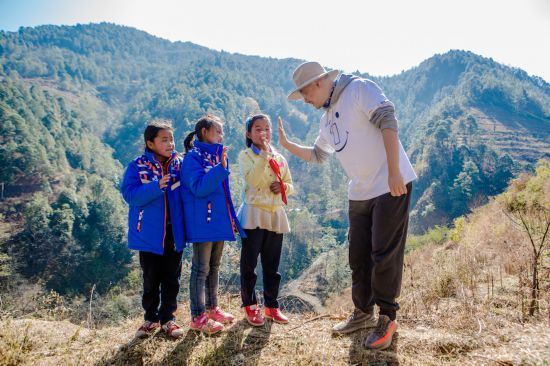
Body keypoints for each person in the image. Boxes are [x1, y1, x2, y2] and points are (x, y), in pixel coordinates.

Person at [279, 61, 417, 350]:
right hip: (359, 190)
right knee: (358, 257)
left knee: (384, 253)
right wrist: (288, 144)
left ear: (319, 82)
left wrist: (394, 172)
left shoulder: (358, 89)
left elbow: (388, 120)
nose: (304, 100)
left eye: (304, 93)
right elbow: (318, 155)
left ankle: (387, 316)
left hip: (390, 183)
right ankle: (363, 313)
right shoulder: (326, 118)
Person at [121, 119, 186, 339]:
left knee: (172, 278)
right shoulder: (137, 165)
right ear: (150, 143)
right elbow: (130, 195)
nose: (170, 144)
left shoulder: (180, 164)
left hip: (174, 232)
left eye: (171, 139)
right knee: (150, 278)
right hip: (148, 233)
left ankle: (168, 319)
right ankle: (150, 319)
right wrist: (155, 187)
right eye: (164, 140)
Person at [181, 114, 245, 335]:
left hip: (217, 220)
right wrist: (221, 169)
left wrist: (230, 217)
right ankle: (197, 316)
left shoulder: (214, 158)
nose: (221, 135)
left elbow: (223, 193)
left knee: (214, 267)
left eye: (221, 132)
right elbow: (198, 188)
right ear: (204, 132)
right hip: (203, 222)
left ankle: (212, 309)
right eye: (217, 131)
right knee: (201, 269)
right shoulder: (192, 158)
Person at [237, 114, 294, 326]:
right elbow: (252, 179)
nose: (264, 133)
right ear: (249, 134)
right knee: (249, 264)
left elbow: (289, 183)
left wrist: (283, 187)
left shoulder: (280, 158)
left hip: (274, 215)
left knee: (272, 265)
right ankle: (250, 306)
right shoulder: (246, 156)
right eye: (258, 129)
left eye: (267, 129)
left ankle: (271, 306)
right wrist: (263, 156)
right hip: (253, 214)